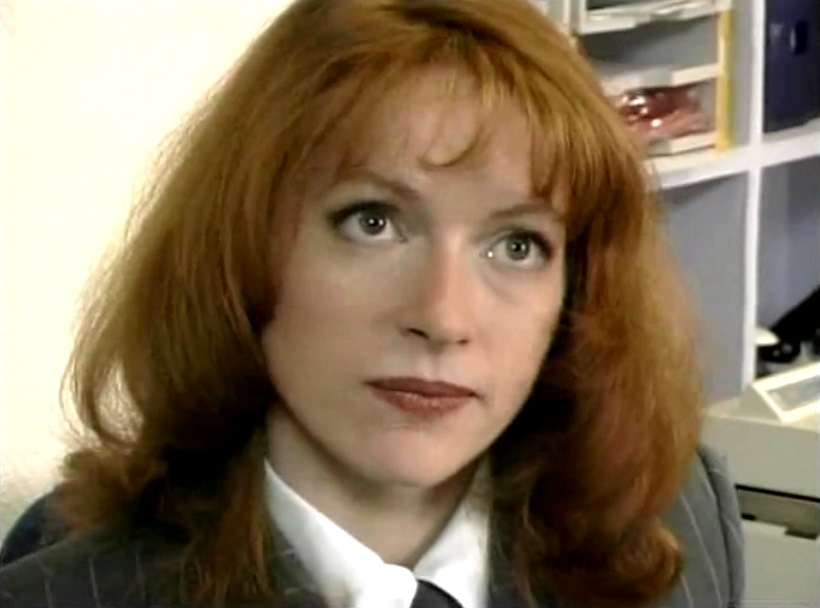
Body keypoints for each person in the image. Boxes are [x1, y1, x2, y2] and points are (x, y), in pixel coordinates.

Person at [0, 0, 744, 607]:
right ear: (243, 248)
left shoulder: (676, 519)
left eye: (517, 245)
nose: (444, 318)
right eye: (373, 222)